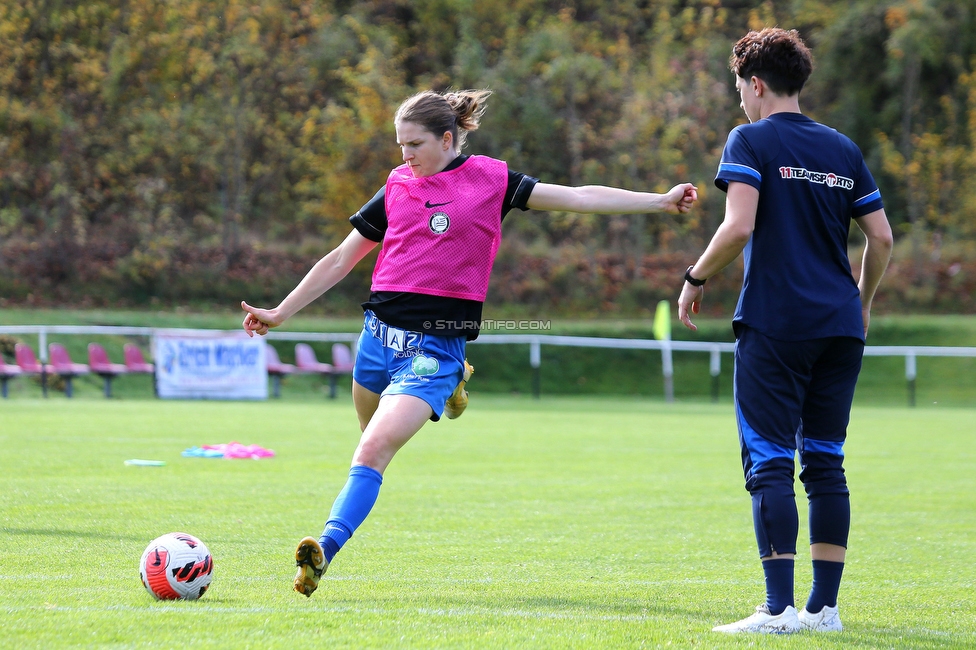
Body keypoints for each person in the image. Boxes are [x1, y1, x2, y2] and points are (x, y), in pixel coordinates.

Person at [241, 88, 699, 597]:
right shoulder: (396, 185)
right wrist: (280, 311)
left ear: (447, 138)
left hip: (433, 351)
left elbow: (577, 196)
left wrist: (658, 201)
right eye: (399, 145)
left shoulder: (490, 180)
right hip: (375, 343)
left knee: (372, 451)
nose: (405, 156)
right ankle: (454, 388)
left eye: (414, 144)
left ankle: (323, 551)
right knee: (365, 443)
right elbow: (340, 259)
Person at [676, 28, 892, 634]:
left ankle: (778, 610)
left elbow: (738, 226)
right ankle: (824, 610)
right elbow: (881, 237)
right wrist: (863, 301)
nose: (741, 101)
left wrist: (695, 276)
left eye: (741, 88)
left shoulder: (750, 138)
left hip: (776, 322)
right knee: (825, 460)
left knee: (769, 459)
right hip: (839, 325)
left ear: (756, 84)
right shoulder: (843, 149)